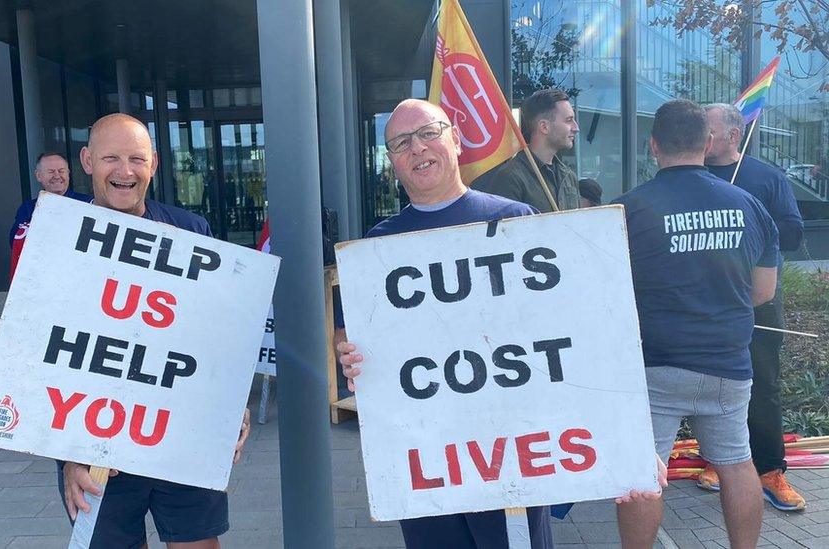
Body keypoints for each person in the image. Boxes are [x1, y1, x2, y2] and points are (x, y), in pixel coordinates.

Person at [336, 99, 663, 549]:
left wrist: (623, 440)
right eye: (401, 143)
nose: (417, 149)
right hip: (427, 458)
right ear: (392, 160)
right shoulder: (378, 246)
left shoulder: (512, 220)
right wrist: (350, 357)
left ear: (454, 138)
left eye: (429, 133)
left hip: (511, 454)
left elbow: (571, 335)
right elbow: (348, 338)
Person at [57, 114, 250, 549]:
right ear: (87, 160)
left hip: (179, 432)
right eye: (111, 158)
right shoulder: (59, 237)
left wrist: (231, 404)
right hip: (92, 439)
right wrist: (69, 455)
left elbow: (216, 333)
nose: (124, 172)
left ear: (154, 164)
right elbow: (41, 349)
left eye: (136, 159)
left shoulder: (192, 232)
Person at [612, 100, 779, 549]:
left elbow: (606, 292)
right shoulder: (749, 205)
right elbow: (764, 291)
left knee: (644, 471)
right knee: (737, 463)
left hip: (655, 366)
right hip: (727, 363)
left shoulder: (626, 210)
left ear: (653, 147)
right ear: (706, 144)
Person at [699, 103, 806, 511]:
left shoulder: (766, 177)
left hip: (760, 298)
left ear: (732, 134)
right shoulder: (695, 176)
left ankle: (770, 469)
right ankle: (717, 460)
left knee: (763, 384)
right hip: (710, 298)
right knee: (712, 382)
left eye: (709, 130)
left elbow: (794, 233)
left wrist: (744, 223)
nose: (702, 138)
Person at [472, 88, 580, 212]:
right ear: (544, 127)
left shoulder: (569, 176)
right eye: (569, 120)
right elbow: (506, 229)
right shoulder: (510, 177)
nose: (576, 128)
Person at [8, 152, 91, 279]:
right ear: (38, 176)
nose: (57, 176)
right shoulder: (28, 209)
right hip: (45, 278)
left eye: (61, 171)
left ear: (68, 174)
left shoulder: (89, 204)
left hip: (81, 276)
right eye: (51, 171)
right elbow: (16, 242)